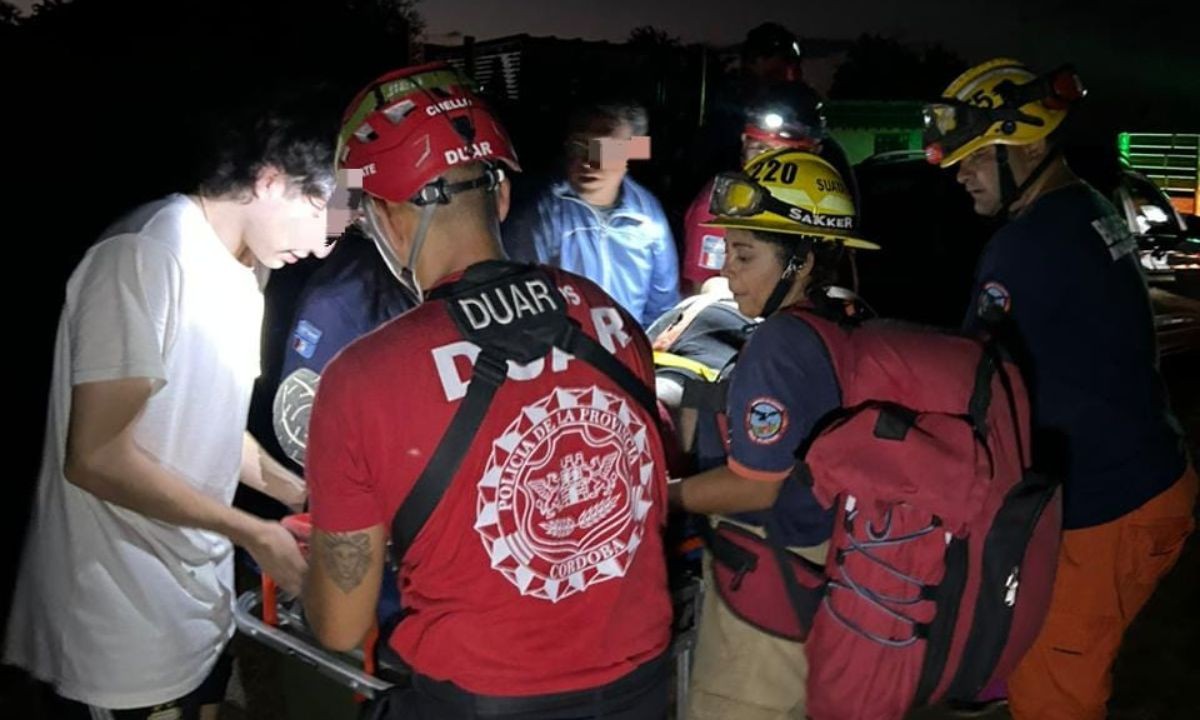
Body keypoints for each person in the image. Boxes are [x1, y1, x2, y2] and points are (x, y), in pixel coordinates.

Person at [301, 63, 674, 719]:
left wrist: (305, 568)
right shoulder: (609, 318)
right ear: (500, 195)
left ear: (385, 217)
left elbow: (340, 626)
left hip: (483, 699)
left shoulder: (362, 377)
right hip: (643, 690)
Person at [4, 90, 337, 719]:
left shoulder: (248, 273)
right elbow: (96, 456)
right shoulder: (146, 254)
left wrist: (299, 494)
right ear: (270, 181)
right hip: (119, 626)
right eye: (322, 212)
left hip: (199, 603)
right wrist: (253, 532)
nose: (323, 246)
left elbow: (210, 424)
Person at [926, 57, 1197, 720]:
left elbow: (971, 378)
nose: (960, 173)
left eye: (975, 157)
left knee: (1053, 696)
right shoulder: (1089, 208)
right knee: (1047, 670)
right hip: (1150, 480)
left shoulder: (1025, 246)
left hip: (1104, 512)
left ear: (1031, 144)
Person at [668, 148, 878, 720]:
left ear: (801, 260)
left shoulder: (779, 342)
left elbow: (757, 484)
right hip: (822, 569)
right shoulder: (849, 317)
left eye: (744, 254)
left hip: (766, 584)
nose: (726, 271)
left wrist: (661, 496)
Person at [503, 98, 679, 327]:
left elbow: (663, 310)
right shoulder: (540, 214)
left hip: (632, 345)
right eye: (579, 146)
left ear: (633, 150)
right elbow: (520, 304)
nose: (589, 161)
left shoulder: (648, 217)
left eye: (605, 149)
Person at [680, 82, 857, 294]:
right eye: (760, 149)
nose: (769, 164)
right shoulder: (721, 205)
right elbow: (704, 291)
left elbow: (840, 277)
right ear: (744, 144)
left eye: (785, 154)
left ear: (814, 153)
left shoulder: (826, 203)